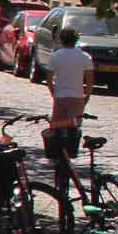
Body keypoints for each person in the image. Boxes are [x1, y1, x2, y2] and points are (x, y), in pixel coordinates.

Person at [44, 26, 95, 192]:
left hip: (60, 96)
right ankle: (70, 154)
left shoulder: (55, 56)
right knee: (73, 127)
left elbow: (49, 79)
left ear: (61, 39)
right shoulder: (85, 57)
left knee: (57, 127)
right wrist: (86, 97)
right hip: (77, 96)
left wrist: (54, 93)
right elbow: (89, 80)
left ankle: (59, 157)